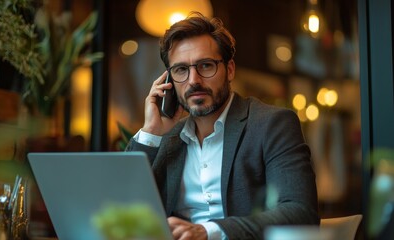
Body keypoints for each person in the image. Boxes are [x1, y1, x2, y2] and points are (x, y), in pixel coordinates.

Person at [126, 12, 319, 240]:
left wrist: (207, 232)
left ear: (229, 70)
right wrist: (151, 132)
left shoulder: (272, 125)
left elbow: (300, 212)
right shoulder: (165, 139)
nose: (193, 80)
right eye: (181, 70)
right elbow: (120, 211)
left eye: (206, 66)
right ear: (168, 81)